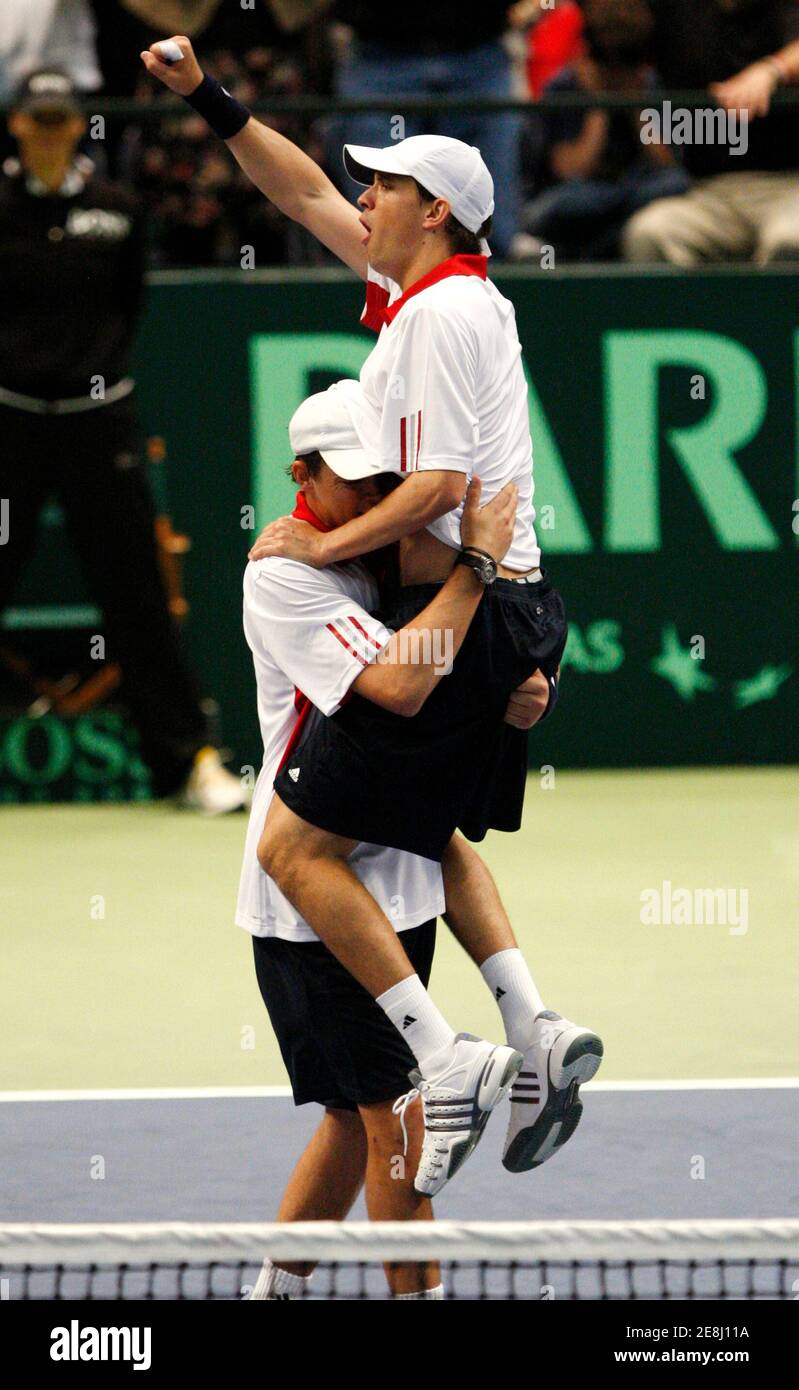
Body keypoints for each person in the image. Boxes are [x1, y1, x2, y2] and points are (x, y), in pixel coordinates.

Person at [141, 38, 603, 1195]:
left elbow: (441, 490)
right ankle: (530, 1026)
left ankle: (447, 1058)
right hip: (492, 602)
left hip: (472, 600)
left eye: (386, 185)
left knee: (295, 843)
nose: (363, 195)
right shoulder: (431, 291)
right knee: (425, 824)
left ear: (437, 211)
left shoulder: (442, 318)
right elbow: (293, 186)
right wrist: (209, 95)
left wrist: (319, 540)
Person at [242, 381, 592, 1297]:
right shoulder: (284, 576)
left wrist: (530, 690)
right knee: (394, 1121)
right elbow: (403, 685)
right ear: (300, 474)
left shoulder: (385, 551)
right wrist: (470, 567)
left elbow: (496, 642)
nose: (371, 497)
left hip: (397, 881)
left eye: (385, 479)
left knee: (357, 1121)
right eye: (351, 481)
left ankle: (271, 1292)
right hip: (314, 909)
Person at [0, 68, 247, 811]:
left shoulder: (117, 211)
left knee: (138, 596)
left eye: (60, 120)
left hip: (96, 422)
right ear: (17, 125)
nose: (48, 132)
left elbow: (128, 307)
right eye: (36, 120)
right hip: (7, 423)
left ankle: (187, 764)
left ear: (79, 126)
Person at [330, 0, 523, 259]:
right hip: (380, 51)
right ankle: (383, 296)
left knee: (488, 231)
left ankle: (487, 293)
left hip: (479, 50)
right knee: (378, 233)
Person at [623, 0, 799, 265]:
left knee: (789, 239)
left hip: (789, 188)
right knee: (648, 233)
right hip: (711, 194)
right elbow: (616, 21)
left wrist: (773, 70)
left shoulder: (785, 10)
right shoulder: (677, 13)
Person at [521, 0, 689, 260]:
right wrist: (598, 105)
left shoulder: (655, 83)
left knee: (673, 185)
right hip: (582, 195)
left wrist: (635, 105)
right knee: (559, 207)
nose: (618, 15)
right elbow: (570, 170)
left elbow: (668, 165)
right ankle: (607, 242)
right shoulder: (564, 86)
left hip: (639, 189)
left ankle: (588, 251)